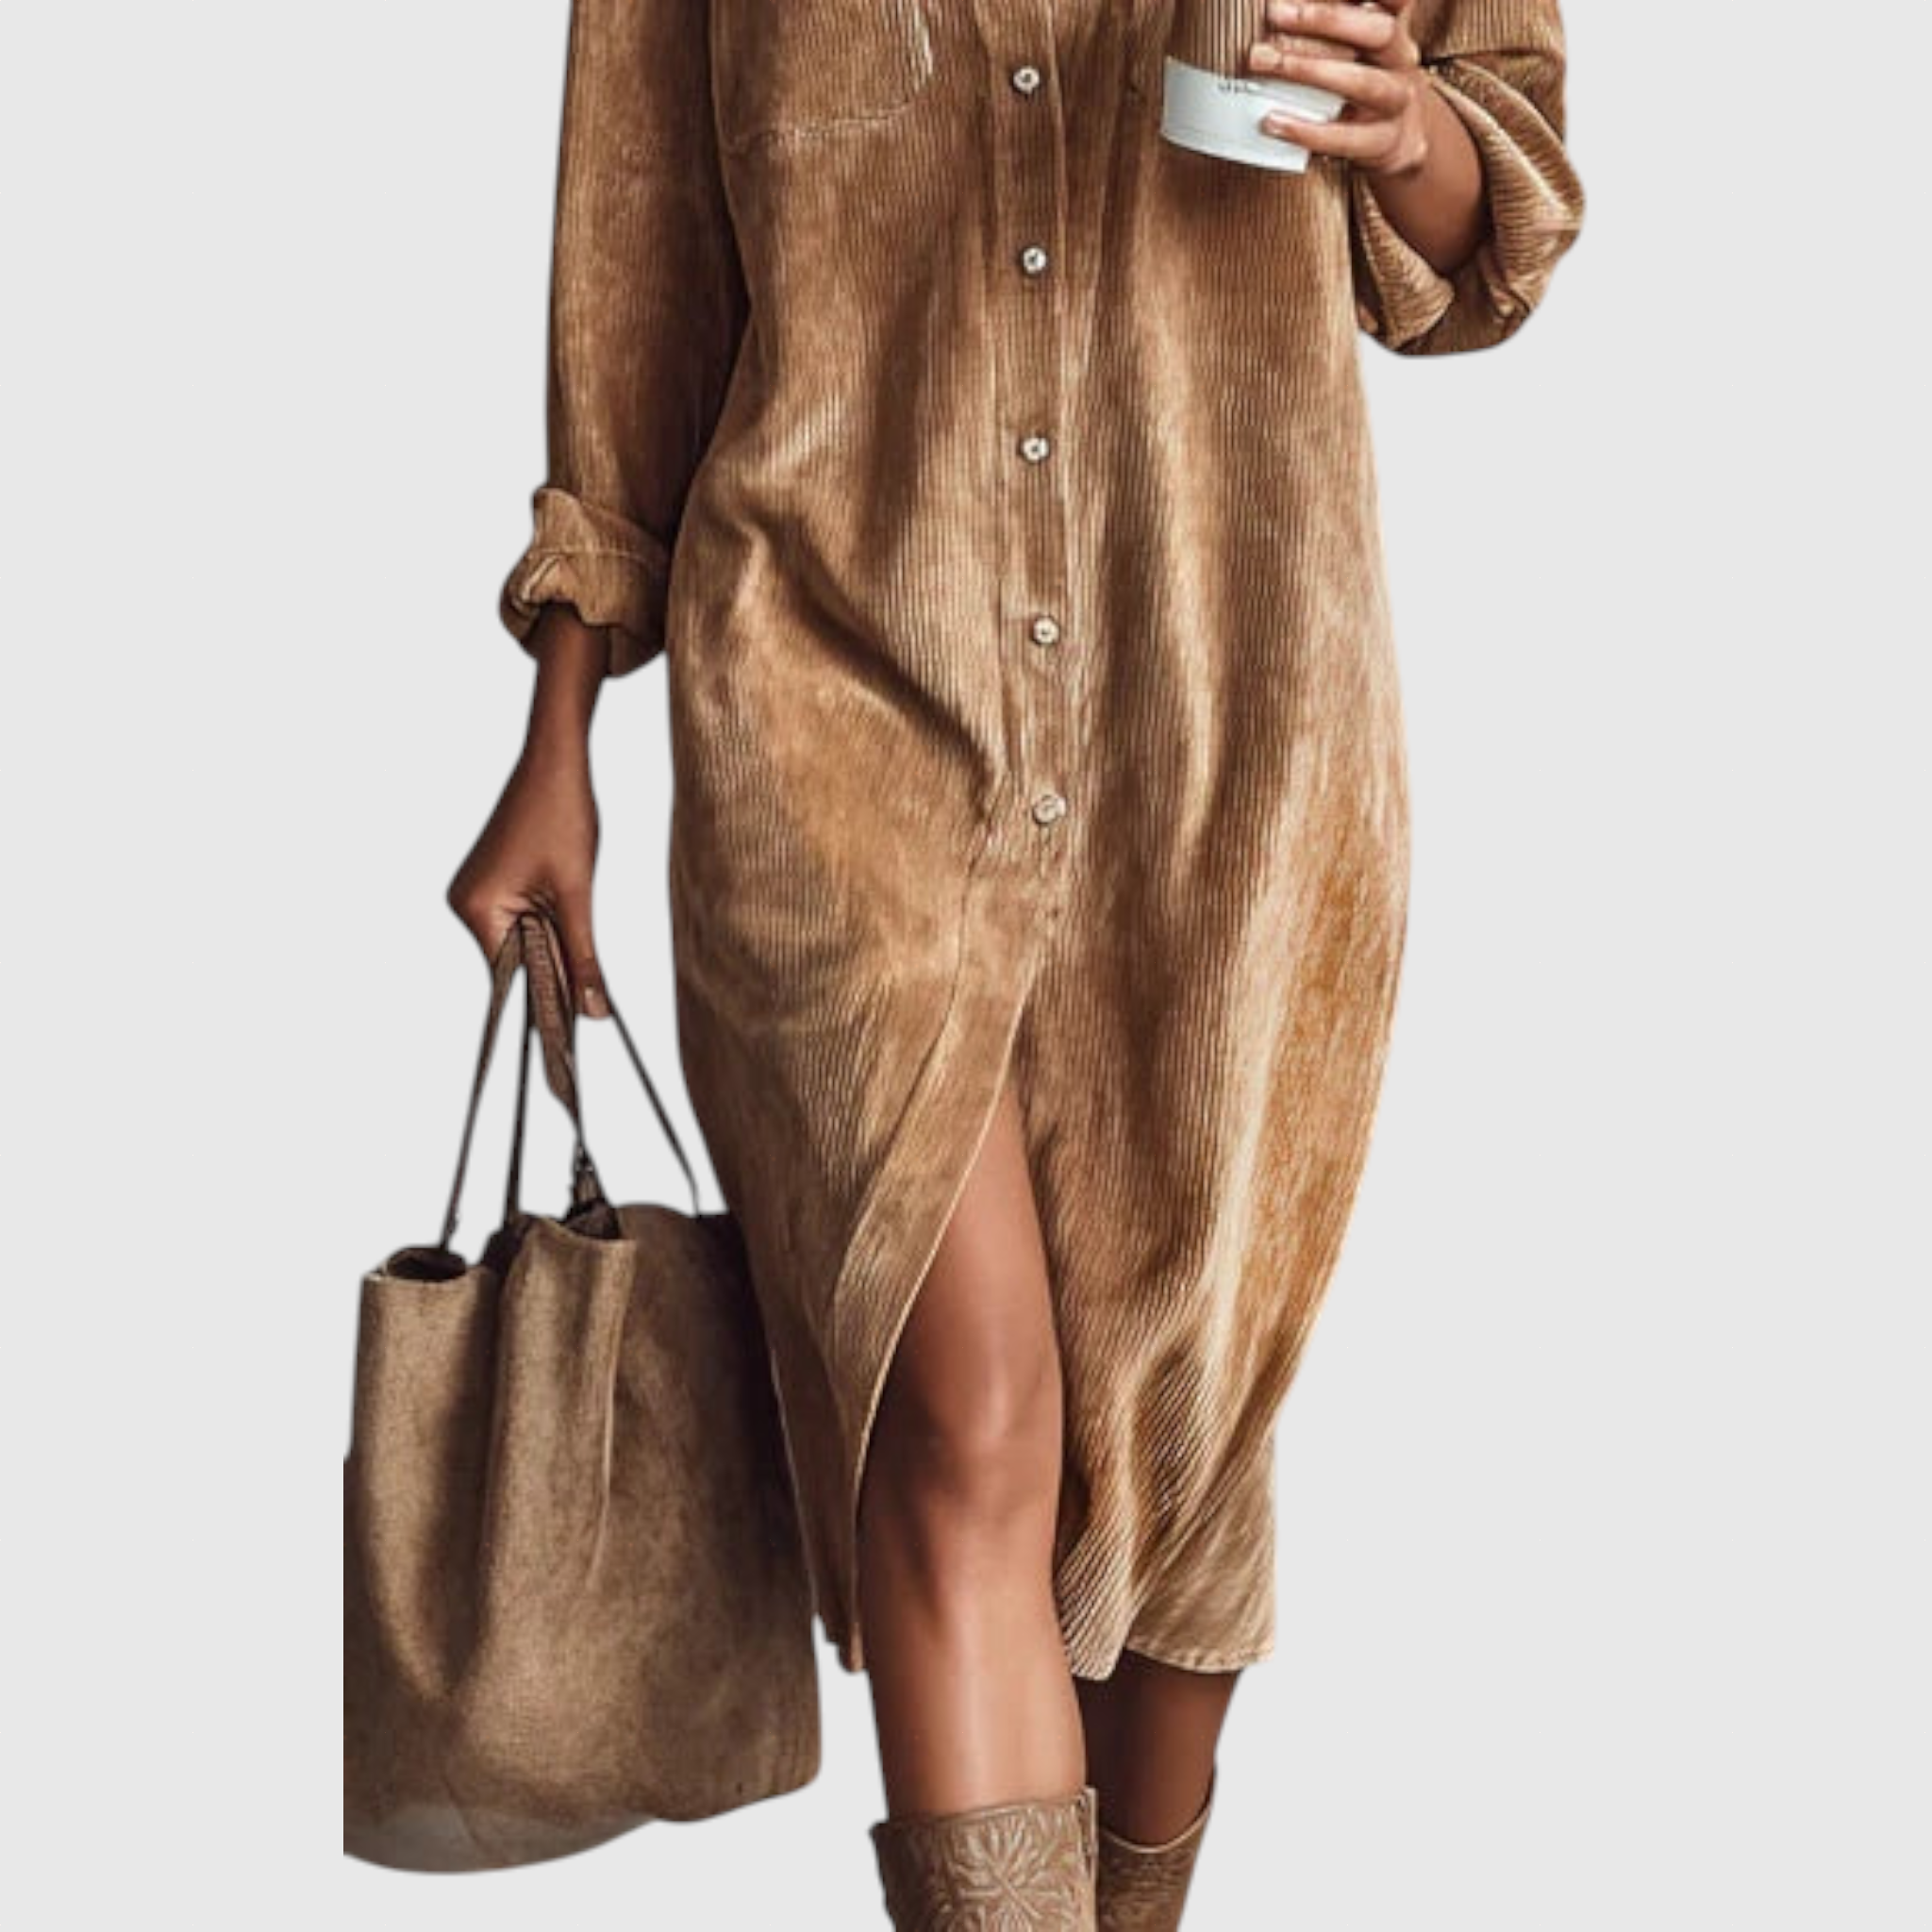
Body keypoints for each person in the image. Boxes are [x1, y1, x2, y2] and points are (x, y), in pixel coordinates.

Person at [449, 1, 1585, 1924]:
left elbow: (1498, 211)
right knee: (965, 1417)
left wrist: (1407, 135)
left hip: (1223, 714)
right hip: (823, 688)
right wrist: (556, 738)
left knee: (1173, 1496)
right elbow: (634, 271)